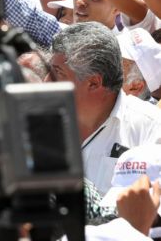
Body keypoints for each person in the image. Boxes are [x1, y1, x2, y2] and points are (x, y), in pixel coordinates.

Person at [50, 22, 161, 194]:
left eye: (57, 73)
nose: (46, 81)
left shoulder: (151, 129)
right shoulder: (39, 122)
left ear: (94, 83)